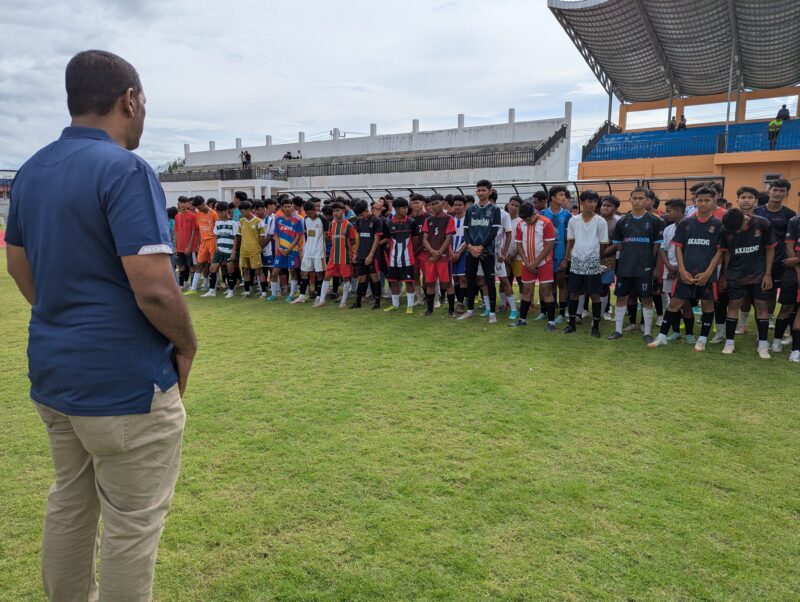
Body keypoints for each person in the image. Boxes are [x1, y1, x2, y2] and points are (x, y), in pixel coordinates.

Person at [6, 49, 194, 602]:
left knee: (70, 500)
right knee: (132, 522)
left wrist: (65, 314)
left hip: (55, 372)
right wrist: (187, 344)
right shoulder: (125, 168)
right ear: (128, 99)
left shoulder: (33, 169)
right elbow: (155, 287)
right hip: (123, 383)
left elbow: (19, 265)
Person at [648, 193, 723, 351]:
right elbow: (678, 247)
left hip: (707, 274)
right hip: (685, 273)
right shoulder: (686, 223)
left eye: (707, 200)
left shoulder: (718, 225)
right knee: (675, 303)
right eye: (699, 200)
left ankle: (702, 340)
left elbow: (720, 252)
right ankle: (662, 337)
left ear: (713, 202)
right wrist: (681, 269)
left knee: (707, 305)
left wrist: (709, 272)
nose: (703, 203)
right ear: (695, 202)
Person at [607, 186, 665, 343]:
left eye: (641, 198)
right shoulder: (623, 221)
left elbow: (657, 246)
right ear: (630, 199)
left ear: (647, 200)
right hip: (626, 266)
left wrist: (648, 261)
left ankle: (647, 332)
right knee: (621, 297)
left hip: (644, 267)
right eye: (635, 198)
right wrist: (630, 255)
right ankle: (618, 331)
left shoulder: (655, 221)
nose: (638, 201)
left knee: (646, 299)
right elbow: (619, 244)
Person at [719, 207, 776, 358]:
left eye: (740, 228)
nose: (737, 231)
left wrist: (768, 274)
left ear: (745, 219)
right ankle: (729, 343)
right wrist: (725, 275)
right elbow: (727, 253)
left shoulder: (762, 224)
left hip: (758, 274)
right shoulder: (726, 229)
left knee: (761, 306)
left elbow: (770, 249)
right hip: (736, 275)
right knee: (733, 306)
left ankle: (763, 345)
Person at [754, 178, 796, 351]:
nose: (778, 193)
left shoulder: (790, 215)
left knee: (783, 298)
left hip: (782, 261)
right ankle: (762, 325)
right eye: (775, 190)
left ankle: (777, 325)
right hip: (758, 259)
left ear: (786, 193)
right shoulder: (757, 212)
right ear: (769, 191)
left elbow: (790, 241)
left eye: (782, 191)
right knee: (763, 294)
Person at [563, 190, 608, 337]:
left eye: (595, 201)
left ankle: (595, 326)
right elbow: (571, 241)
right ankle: (571, 324)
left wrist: (593, 257)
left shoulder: (600, 221)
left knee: (595, 294)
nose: (592, 204)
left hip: (593, 262)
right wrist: (577, 255)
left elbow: (603, 245)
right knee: (574, 293)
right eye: (589, 201)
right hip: (576, 262)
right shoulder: (573, 220)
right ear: (582, 202)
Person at [459, 179, 502, 323]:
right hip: (471, 251)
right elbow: (466, 230)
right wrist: (470, 247)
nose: (481, 192)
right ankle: (470, 310)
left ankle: (492, 313)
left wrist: (481, 247)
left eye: (484, 190)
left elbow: (494, 231)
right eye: (478, 190)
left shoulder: (495, 210)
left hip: (486, 251)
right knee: (470, 279)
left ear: (490, 191)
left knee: (489, 281)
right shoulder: (471, 210)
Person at [509, 202, 556, 329]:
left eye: (528, 218)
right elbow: (519, 244)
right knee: (526, 290)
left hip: (544, 262)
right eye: (524, 219)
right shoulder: (521, 224)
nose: (527, 221)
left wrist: (535, 262)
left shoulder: (546, 223)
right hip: (527, 264)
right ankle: (522, 319)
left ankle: (551, 322)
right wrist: (527, 262)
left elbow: (549, 245)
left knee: (546, 290)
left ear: (534, 213)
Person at [315, 202, 357, 308]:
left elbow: (352, 241)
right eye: (334, 211)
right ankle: (322, 300)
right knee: (327, 276)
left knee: (346, 278)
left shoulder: (349, 225)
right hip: (333, 256)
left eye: (338, 210)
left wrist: (348, 251)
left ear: (343, 211)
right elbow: (329, 237)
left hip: (345, 257)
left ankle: (343, 301)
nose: (335, 213)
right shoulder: (331, 225)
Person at [540, 185, 572, 323]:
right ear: (552, 197)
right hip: (545, 255)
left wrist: (566, 258)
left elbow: (569, 239)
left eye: (564, 195)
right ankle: (545, 311)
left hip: (560, 254)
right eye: (560, 195)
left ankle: (562, 313)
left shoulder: (567, 215)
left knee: (561, 283)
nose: (563, 197)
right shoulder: (542, 214)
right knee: (547, 284)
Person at [382, 197, 419, 313]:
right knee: (393, 281)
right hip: (393, 259)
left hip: (408, 259)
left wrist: (411, 252)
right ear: (396, 209)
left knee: (409, 282)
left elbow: (416, 240)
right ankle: (395, 305)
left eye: (406, 207)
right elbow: (388, 240)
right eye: (403, 207)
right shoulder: (388, 223)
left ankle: (410, 306)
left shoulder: (411, 222)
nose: (406, 209)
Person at [421, 195, 456, 316]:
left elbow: (449, 238)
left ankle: (451, 310)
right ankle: (429, 310)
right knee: (430, 283)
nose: (433, 206)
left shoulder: (449, 218)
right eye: (432, 204)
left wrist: (439, 252)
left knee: (447, 283)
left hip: (444, 257)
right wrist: (432, 251)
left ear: (443, 203)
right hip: (431, 257)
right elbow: (424, 239)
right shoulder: (428, 220)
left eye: (436, 203)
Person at [293, 200, 327, 304]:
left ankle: (319, 296)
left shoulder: (322, 219)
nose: (308, 215)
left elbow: (326, 236)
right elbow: (305, 234)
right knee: (304, 272)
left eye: (310, 212)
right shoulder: (305, 220)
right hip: (308, 251)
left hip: (319, 252)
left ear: (315, 209)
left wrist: (324, 250)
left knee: (319, 274)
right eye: (306, 213)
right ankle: (302, 296)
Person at [351, 199, 383, 309]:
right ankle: (358, 302)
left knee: (375, 277)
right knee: (361, 278)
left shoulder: (376, 220)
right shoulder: (359, 221)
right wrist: (356, 253)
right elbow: (359, 238)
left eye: (361, 214)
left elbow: (377, 239)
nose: (360, 216)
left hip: (373, 255)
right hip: (361, 254)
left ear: (366, 210)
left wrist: (370, 255)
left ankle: (377, 301)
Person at [203, 201, 238, 298]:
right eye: (218, 212)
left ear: (227, 211)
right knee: (212, 268)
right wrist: (216, 247)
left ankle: (231, 291)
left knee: (230, 270)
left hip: (229, 251)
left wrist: (233, 252)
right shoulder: (217, 223)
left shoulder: (234, 224)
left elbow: (236, 238)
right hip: (219, 251)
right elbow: (216, 236)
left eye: (221, 212)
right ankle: (211, 291)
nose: (219, 214)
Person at [273, 197, 304, 301]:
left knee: (293, 272)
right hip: (280, 250)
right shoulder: (278, 220)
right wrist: (278, 247)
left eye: (289, 206)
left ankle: (291, 295)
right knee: (274, 272)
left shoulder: (297, 220)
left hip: (292, 250)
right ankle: (274, 294)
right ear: (281, 208)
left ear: (292, 207)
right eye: (285, 206)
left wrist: (289, 248)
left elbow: (298, 236)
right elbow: (276, 235)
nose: (287, 208)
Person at [185, 195, 217, 294]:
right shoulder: (198, 214)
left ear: (203, 204)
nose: (198, 210)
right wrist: (198, 243)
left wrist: (217, 244)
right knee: (199, 264)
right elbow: (198, 229)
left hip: (212, 241)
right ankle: (193, 289)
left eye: (199, 207)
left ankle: (213, 289)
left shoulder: (214, 214)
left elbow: (218, 230)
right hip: (203, 242)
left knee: (213, 265)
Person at [237, 200, 267, 296]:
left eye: (243, 211)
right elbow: (239, 236)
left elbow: (262, 237)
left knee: (259, 271)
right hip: (244, 251)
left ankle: (264, 292)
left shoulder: (259, 221)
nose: (242, 214)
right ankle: (247, 291)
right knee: (245, 271)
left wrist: (259, 248)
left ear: (249, 210)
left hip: (254, 251)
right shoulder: (241, 221)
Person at [449, 195, 468, 313]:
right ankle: (459, 300)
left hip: (464, 253)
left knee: (463, 278)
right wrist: (451, 253)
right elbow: (446, 238)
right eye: (455, 205)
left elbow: (468, 238)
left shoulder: (469, 219)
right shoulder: (449, 219)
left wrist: (459, 252)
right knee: (455, 279)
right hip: (451, 253)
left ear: (465, 206)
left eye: (460, 205)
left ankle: (461, 303)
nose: (457, 207)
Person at [174, 195, 198, 289]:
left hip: (190, 247)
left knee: (192, 266)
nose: (183, 204)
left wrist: (189, 246)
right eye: (181, 202)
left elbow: (193, 232)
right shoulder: (176, 216)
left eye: (184, 202)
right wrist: (175, 246)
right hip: (179, 246)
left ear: (188, 204)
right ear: (178, 204)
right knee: (181, 266)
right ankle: (181, 285)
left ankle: (192, 286)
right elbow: (176, 232)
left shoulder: (192, 216)